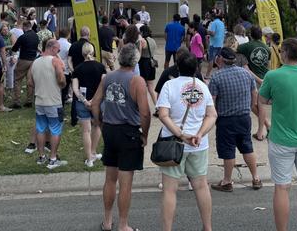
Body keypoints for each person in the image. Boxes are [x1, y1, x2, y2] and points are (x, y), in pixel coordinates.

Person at [259, 37, 297, 231]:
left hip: (282, 140)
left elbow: (262, 100)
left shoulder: (273, 76)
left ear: (284, 53)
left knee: (282, 187)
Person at [91, 43, 151, 231]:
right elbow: (145, 113)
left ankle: (107, 221)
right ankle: (123, 224)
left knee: (110, 178)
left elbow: (94, 104)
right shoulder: (137, 81)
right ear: (136, 59)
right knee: (126, 182)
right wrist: (145, 134)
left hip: (110, 129)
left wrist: (100, 124)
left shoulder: (107, 77)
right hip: (128, 132)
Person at [157, 53, 217, 231]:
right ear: (196, 69)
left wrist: (181, 135)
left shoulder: (169, 85)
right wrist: (199, 133)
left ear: (177, 67)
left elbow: (163, 114)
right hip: (199, 144)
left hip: (173, 143)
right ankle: (207, 227)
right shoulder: (202, 87)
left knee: (169, 189)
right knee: (201, 186)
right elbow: (212, 115)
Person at [209, 47, 262, 192]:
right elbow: (254, 92)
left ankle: (227, 181)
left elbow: (212, 101)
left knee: (228, 150)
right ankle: (256, 178)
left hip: (226, 120)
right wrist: (251, 106)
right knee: (247, 147)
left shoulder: (216, 77)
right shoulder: (246, 73)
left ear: (220, 59)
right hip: (244, 117)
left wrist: (212, 116)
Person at [27, 39, 68, 169]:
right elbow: (61, 79)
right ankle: (53, 158)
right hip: (54, 101)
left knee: (40, 128)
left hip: (39, 100)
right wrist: (61, 85)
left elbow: (29, 82)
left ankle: (41, 156)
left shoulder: (35, 62)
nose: (59, 51)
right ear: (52, 48)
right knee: (55, 129)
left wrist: (39, 86)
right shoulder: (55, 61)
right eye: (58, 49)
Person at [72, 43, 106, 167]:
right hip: (98, 102)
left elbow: (75, 89)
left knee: (86, 131)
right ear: (93, 51)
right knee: (97, 126)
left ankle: (89, 159)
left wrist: (85, 100)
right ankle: (93, 151)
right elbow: (103, 85)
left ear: (82, 53)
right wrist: (94, 100)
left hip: (82, 103)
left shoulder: (78, 68)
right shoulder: (101, 67)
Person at [237, 26, 271, 141]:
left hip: (253, 79)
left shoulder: (246, 46)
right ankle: (266, 127)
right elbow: (268, 65)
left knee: (254, 105)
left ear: (250, 35)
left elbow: (234, 48)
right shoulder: (267, 48)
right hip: (265, 78)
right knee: (261, 105)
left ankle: (261, 132)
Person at [11, 20, 40, 108]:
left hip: (24, 60)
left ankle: (17, 102)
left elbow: (15, 49)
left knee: (17, 79)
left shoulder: (23, 37)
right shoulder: (36, 36)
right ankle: (29, 101)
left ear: (24, 27)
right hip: (33, 60)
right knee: (30, 80)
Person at [139, 24, 158, 106]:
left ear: (142, 32)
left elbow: (139, 54)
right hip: (151, 63)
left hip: (143, 63)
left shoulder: (142, 41)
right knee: (151, 87)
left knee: (142, 87)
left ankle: (143, 106)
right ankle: (157, 106)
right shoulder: (153, 40)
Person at [206, 13, 225, 77]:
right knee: (219, 59)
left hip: (214, 44)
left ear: (213, 18)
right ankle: (220, 74)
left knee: (211, 59)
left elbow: (213, 33)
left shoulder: (214, 23)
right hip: (220, 44)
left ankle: (207, 75)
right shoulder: (222, 23)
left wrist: (207, 31)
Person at [58, 27, 72, 104]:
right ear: (68, 35)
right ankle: (62, 103)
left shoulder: (55, 43)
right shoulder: (69, 45)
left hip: (55, 68)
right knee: (64, 89)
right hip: (65, 69)